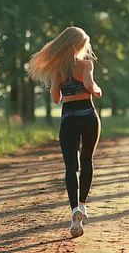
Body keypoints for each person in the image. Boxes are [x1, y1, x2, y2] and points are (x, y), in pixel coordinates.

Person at [28, 26, 102, 238]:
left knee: (71, 166)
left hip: (69, 119)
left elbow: (56, 99)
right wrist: (97, 89)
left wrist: (60, 85)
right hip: (88, 115)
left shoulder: (56, 70)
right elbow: (89, 86)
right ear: (78, 45)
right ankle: (83, 205)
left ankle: (74, 212)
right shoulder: (86, 64)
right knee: (87, 160)